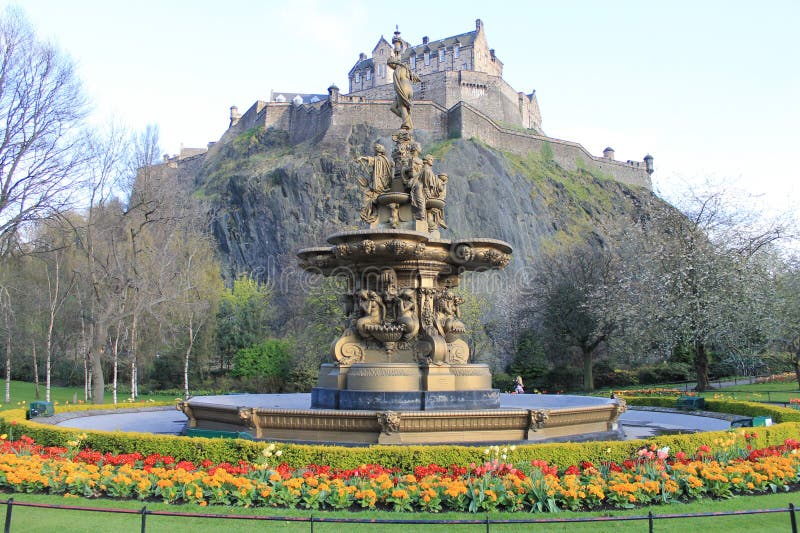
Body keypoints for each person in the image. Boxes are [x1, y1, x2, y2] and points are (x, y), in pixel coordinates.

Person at [387, 54, 421, 130]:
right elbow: (415, 78)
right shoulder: (405, 68)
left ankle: (406, 125)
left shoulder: (397, 70)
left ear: (394, 63)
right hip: (410, 89)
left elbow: (397, 83)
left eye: (391, 65)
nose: (390, 67)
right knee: (393, 107)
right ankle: (408, 121)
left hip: (403, 88)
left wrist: (399, 92)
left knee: (402, 107)